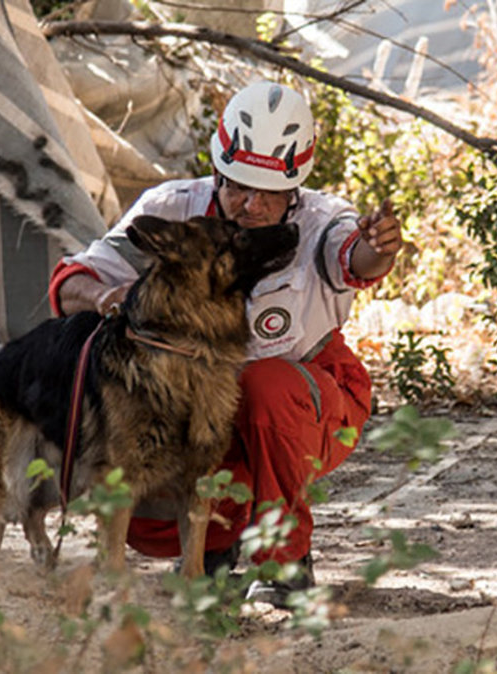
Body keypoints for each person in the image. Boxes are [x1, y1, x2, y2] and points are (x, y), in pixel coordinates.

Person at [47, 80, 403, 605]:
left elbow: (353, 258)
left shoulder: (324, 222)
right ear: (217, 170)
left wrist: (380, 248)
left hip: (307, 404)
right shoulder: (173, 209)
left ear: (295, 188)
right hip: (204, 407)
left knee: (263, 388)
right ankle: (211, 554)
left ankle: (286, 565)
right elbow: (70, 279)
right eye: (237, 186)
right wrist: (110, 299)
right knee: (144, 486)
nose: (250, 205)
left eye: (268, 193)